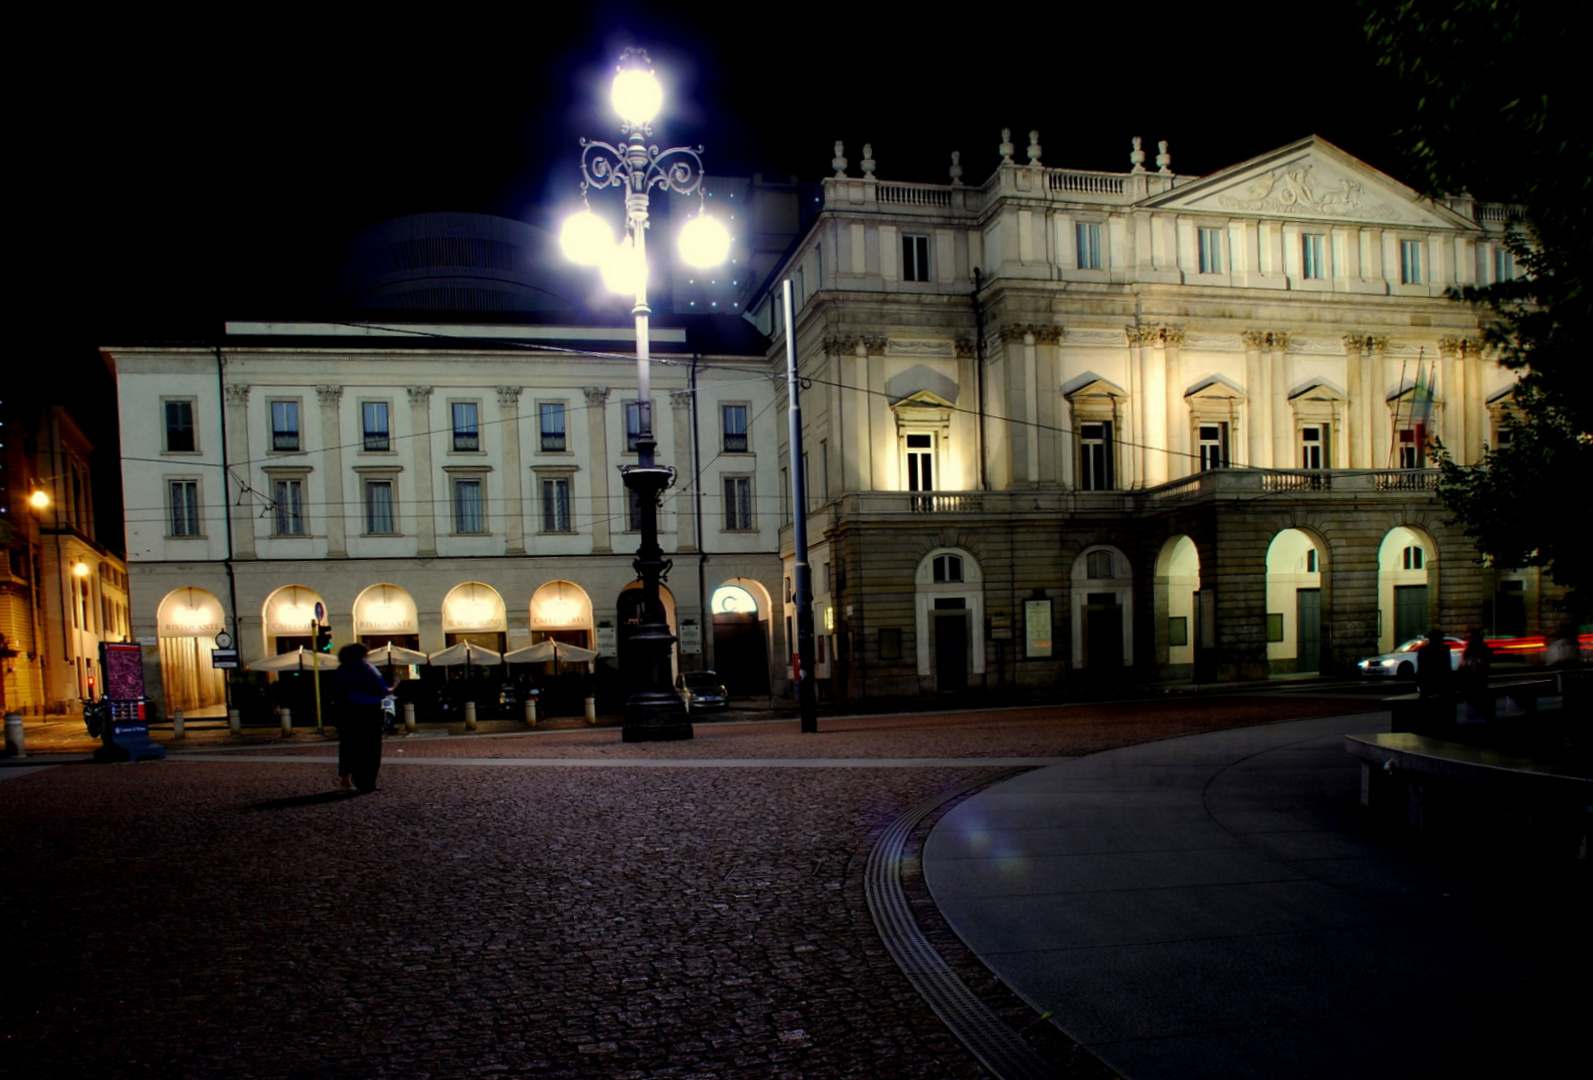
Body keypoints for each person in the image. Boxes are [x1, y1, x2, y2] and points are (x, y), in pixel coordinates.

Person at [330, 643, 394, 793]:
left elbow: (335, 688)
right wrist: (395, 686)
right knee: (370, 746)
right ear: (363, 654)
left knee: (349, 743)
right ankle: (367, 781)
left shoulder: (343, 669)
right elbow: (382, 691)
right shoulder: (369, 669)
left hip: (348, 710)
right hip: (369, 709)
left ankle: (346, 776)